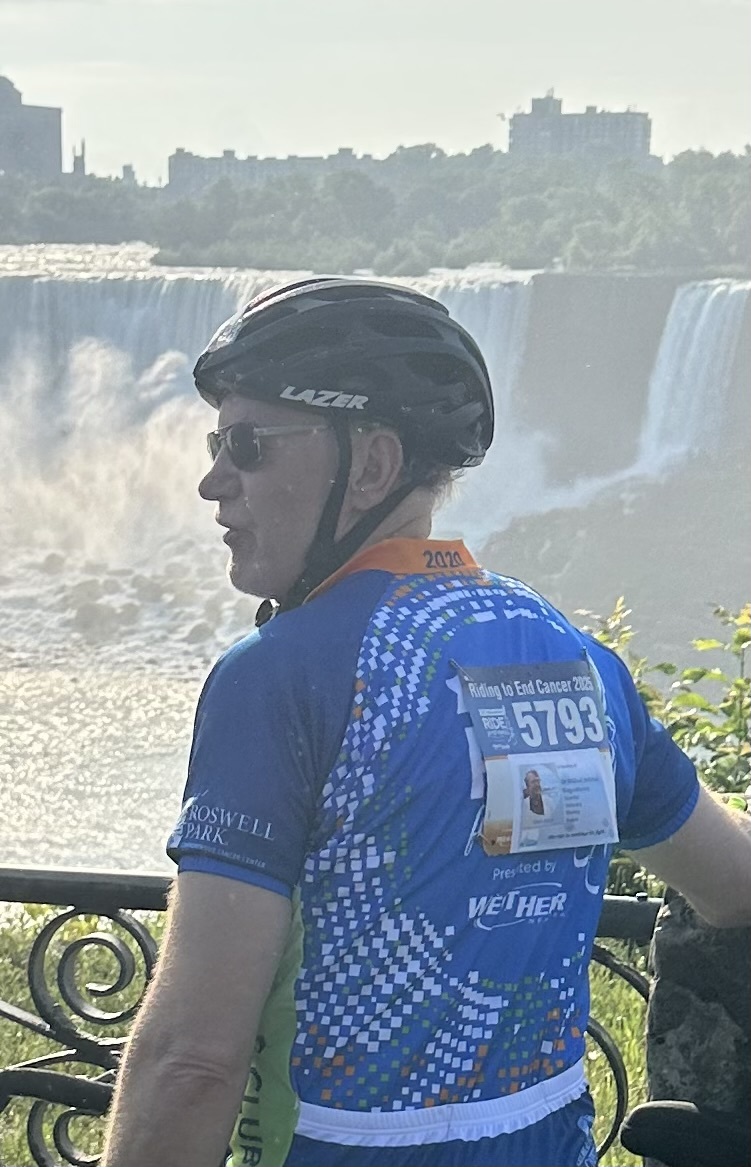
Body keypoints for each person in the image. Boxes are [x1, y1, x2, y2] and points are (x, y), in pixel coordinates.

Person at [102, 278, 751, 1167]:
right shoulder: (580, 662)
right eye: (216, 443)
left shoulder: (283, 676)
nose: (213, 481)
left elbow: (190, 1062)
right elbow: (734, 884)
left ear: (371, 463)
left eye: (247, 445)